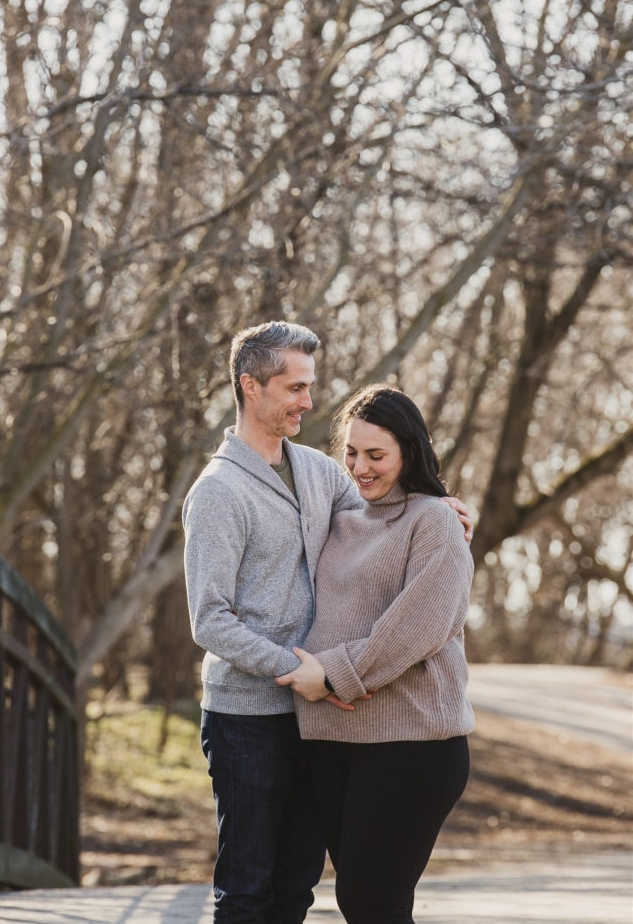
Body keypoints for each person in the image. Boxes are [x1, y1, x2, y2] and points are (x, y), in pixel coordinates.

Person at [183, 322, 473, 924]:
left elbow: (383, 511)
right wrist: (301, 671)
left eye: (309, 386)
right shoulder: (218, 492)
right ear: (251, 386)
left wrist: (440, 510)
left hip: (318, 721)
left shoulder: (319, 471)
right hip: (249, 717)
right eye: (294, 388)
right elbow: (210, 620)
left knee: (296, 889)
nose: (308, 402)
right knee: (248, 890)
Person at [276, 384, 475, 924]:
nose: (360, 468)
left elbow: (418, 628)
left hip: (411, 743)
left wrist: (332, 676)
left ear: (410, 451)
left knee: (372, 903)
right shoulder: (341, 520)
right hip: (333, 741)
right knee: (360, 903)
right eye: (351, 453)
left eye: (376, 455)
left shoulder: (434, 521)